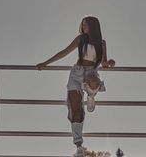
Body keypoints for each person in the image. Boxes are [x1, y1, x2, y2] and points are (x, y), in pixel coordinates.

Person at [36, 16, 115, 157]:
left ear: (93, 26)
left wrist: (110, 62)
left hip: (91, 73)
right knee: (76, 109)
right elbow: (64, 52)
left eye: (86, 25)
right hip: (77, 73)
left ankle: (91, 95)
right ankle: (79, 145)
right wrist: (46, 63)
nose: (83, 28)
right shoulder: (80, 40)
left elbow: (103, 63)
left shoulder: (101, 43)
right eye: (82, 25)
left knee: (94, 81)